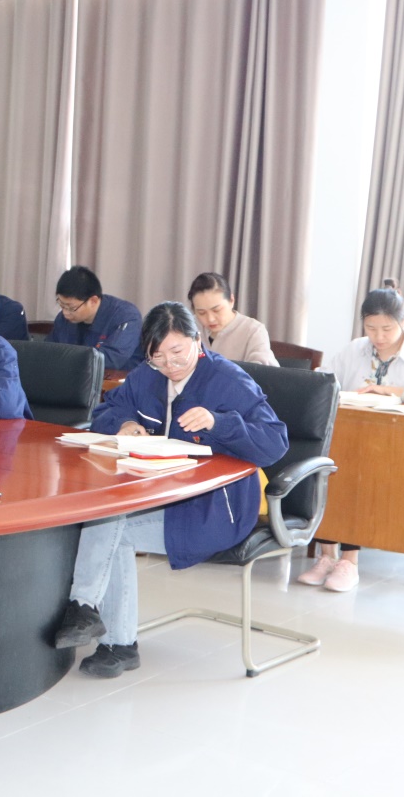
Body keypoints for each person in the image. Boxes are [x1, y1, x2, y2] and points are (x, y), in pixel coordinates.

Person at [52, 302, 288, 677]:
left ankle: (102, 627)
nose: (169, 364)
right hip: (155, 497)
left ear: (197, 340)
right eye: (157, 356)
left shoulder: (228, 380)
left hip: (213, 510)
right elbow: (106, 411)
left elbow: (275, 442)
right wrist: (124, 424)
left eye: (177, 352)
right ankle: (92, 617)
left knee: (111, 527)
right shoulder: (147, 376)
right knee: (105, 517)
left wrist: (219, 422)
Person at [298, 284, 404, 592]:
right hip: (350, 436)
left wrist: (391, 390)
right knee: (332, 471)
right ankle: (328, 556)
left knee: (362, 476)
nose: (378, 336)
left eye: (387, 329)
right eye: (371, 328)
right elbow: (324, 381)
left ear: (403, 321)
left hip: (400, 446)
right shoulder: (355, 349)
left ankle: (349, 561)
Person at [47, 265, 145, 369]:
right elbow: (49, 351)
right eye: (62, 305)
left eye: (71, 308)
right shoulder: (63, 319)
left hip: (119, 377)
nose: (65, 313)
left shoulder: (126, 316)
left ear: (93, 301)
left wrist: (66, 360)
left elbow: (111, 359)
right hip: (74, 376)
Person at [187, 272, 277, 366]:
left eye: (216, 310)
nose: (210, 319)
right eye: (202, 313)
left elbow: (264, 370)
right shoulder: (189, 326)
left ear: (231, 301)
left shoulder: (253, 330)